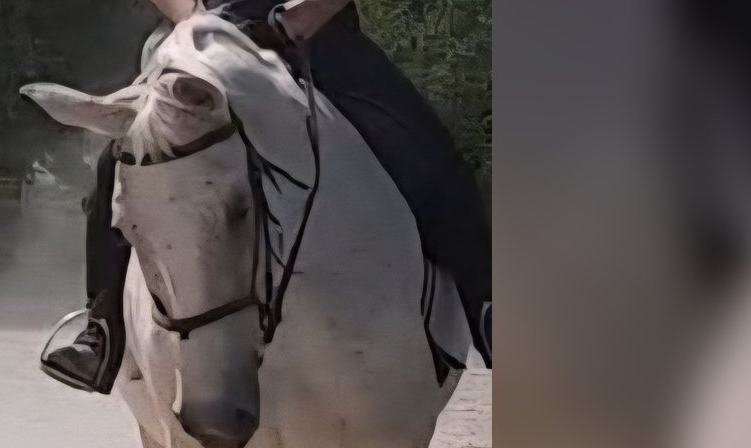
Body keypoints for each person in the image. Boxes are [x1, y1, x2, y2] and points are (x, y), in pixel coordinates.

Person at [43, 0, 491, 393]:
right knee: (120, 159)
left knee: (422, 147)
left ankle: (485, 302)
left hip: (313, 34)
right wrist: (193, 16)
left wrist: (309, 12)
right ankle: (102, 326)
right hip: (202, 40)